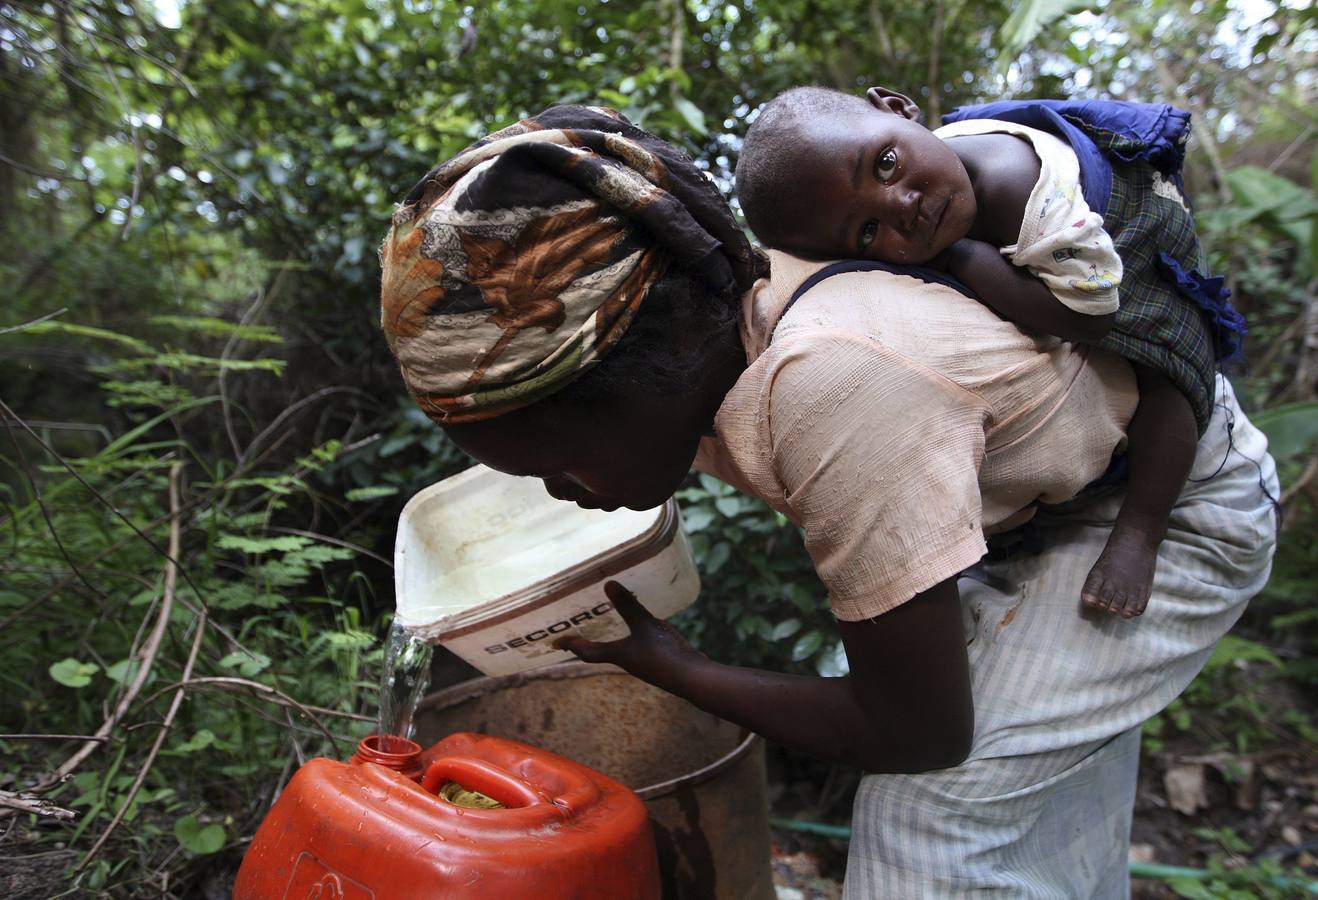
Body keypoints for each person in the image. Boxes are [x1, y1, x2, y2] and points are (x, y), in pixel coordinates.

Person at [378, 104, 1278, 897]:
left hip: (1170, 510)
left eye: (556, 463)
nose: (559, 494)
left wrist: (671, 666)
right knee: (1043, 824)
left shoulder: (834, 381)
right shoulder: (721, 319)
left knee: (932, 819)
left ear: (648, 374)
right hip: (1035, 510)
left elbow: (914, 730)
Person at [734, 85, 1248, 620]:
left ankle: (1142, 530)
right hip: (1061, 249)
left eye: (885, 164)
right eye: (867, 231)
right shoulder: (934, 180)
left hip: (1122, 238)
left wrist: (965, 261)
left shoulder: (1019, 192)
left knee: (1172, 378)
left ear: (897, 106)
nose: (902, 206)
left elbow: (1090, 316)